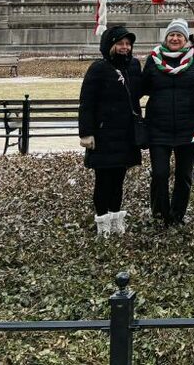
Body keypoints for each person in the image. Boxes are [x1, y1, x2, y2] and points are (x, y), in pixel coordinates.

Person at [141, 18, 194, 226]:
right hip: (158, 127)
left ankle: (177, 215)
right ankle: (160, 212)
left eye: (179, 35)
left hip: (189, 126)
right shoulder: (154, 59)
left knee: (184, 175)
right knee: (160, 174)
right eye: (171, 35)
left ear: (186, 38)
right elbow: (141, 87)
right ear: (165, 38)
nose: (174, 38)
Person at [78, 25, 143, 237]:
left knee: (119, 179)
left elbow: (140, 92)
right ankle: (102, 221)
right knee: (103, 180)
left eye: (128, 44)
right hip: (104, 134)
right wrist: (86, 132)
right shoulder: (98, 68)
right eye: (120, 43)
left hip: (125, 134)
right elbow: (87, 102)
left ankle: (116, 217)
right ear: (110, 45)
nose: (125, 47)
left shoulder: (134, 66)